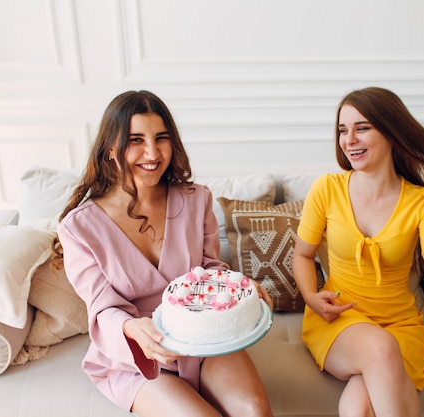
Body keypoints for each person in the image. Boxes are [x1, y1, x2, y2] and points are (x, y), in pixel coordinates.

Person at [52, 90, 273, 417]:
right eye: (136, 140)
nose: (152, 152)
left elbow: (210, 267)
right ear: (111, 149)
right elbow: (102, 309)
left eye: (161, 138)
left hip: (204, 334)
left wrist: (237, 285)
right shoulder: (79, 228)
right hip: (138, 351)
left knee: (254, 410)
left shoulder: (197, 200)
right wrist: (132, 329)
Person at [292, 87, 424, 417]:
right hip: (338, 319)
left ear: (391, 132)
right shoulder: (327, 189)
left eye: (362, 128)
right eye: (342, 130)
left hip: (400, 326)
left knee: (356, 409)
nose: (349, 139)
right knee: (379, 347)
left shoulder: (423, 203)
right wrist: (311, 297)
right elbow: (303, 255)